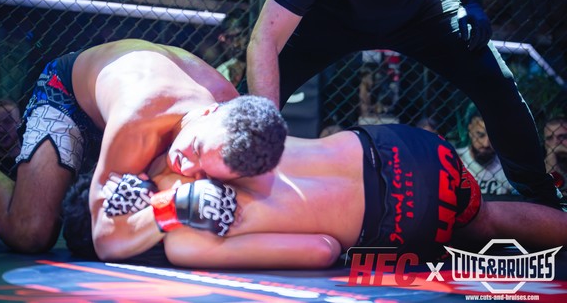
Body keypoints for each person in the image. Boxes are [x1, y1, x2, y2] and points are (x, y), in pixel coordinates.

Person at [246, 0, 560, 208]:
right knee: (250, 96)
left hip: (420, 10)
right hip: (335, 20)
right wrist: (265, 127)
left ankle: (540, 198)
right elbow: (264, 38)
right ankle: (236, 177)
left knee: (495, 80)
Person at [67, 123, 567, 268]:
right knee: (485, 216)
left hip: (401, 214)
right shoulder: (178, 145)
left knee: (482, 224)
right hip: (402, 144)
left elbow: (322, 250)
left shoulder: (183, 242)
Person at [0, 39, 287, 254]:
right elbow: (103, 236)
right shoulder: (140, 115)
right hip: (67, 92)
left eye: (204, 169)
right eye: (196, 152)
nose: (188, 167)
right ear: (208, 113)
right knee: (32, 232)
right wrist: (175, 206)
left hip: (139, 105)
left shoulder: (236, 125)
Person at [456, 104, 514, 196]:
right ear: (470, 129)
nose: (486, 144)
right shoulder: (455, 160)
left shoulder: (508, 165)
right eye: (480, 135)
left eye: (492, 137)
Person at [544, 116, 567, 196]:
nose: (556, 142)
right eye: (549, 138)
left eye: (562, 137)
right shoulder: (539, 165)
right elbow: (550, 190)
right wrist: (551, 155)